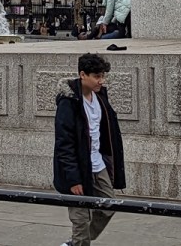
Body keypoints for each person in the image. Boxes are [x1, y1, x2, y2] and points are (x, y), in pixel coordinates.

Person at [53, 52, 125, 246]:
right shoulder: (69, 102)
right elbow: (64, 143)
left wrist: (111, 164)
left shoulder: (100, 97)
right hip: (77, 168)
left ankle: (77, 241)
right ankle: (79, 240)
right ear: (83, 74)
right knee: (80, 218)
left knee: (109, 205)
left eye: (102, 76)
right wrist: (73, 179)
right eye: (97, 76)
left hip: (98, 163)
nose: (101, 81)